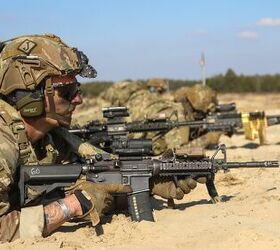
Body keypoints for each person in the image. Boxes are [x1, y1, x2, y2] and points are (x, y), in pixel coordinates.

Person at [0, 34, 198, 242]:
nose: (79, 99)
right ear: (30, 94)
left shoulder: (51, 139)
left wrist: (148, 182)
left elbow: (93, 185)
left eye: (77, 89)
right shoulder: (4, 143)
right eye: (67, 91)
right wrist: (74, 206)